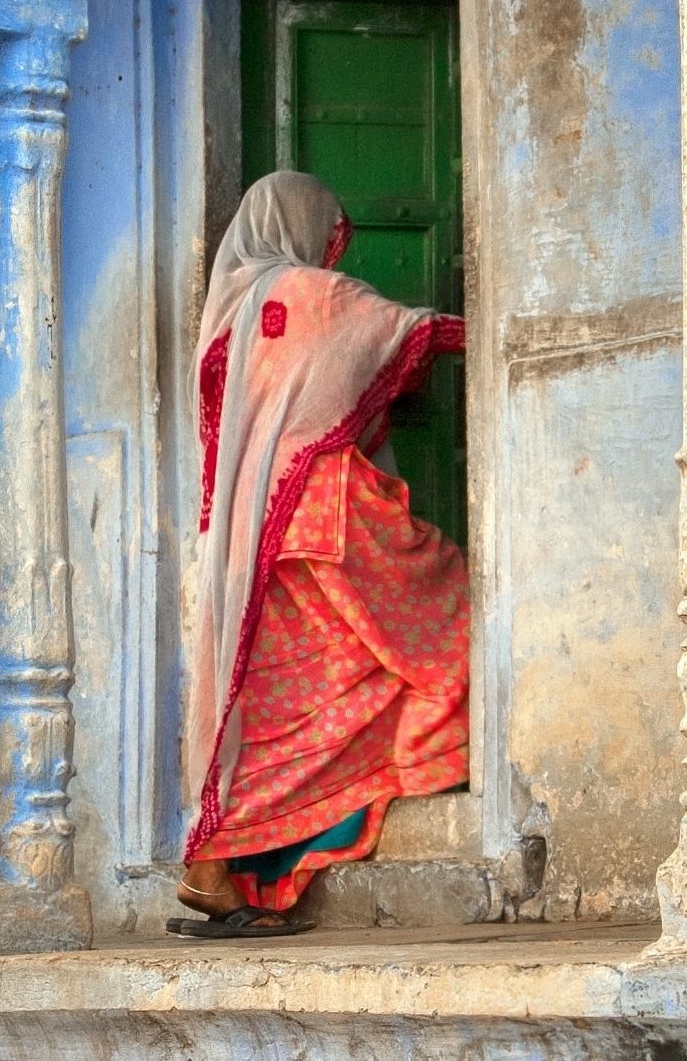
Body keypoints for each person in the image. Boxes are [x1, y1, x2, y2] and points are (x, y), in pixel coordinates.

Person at [171, 170, 470, 938]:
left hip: (247, 532)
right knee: (452, 624)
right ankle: (217, 863)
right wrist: (501, 327)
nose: (333, 253)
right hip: (322, 504)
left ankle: (214, 865)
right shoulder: (315, 294)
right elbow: (408, 334)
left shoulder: (226, 312)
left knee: (292, 694)